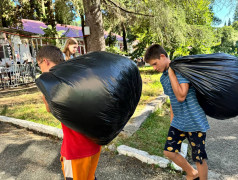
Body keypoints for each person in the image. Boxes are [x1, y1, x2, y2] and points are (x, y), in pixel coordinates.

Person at [144, 44, 210, 180]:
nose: (154, 68)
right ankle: (192, 173)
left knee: (199, 158)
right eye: (152, 65)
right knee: (169, 152)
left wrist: (171, 72)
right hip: (178, 122)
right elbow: (173, 100)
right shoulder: (163, 78)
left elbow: (181, 96)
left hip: (194, 121)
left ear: (163, 56)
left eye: (155, 64)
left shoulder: (180, 70)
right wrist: (172, 120)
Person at [36, 45, 101, 180]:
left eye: (39, 65)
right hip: (94, 145)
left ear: (45, 61)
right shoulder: (77, 74)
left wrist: (44, 92)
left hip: (76, 149)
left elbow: (50, 110)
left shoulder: (54, 82)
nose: (40, 69)